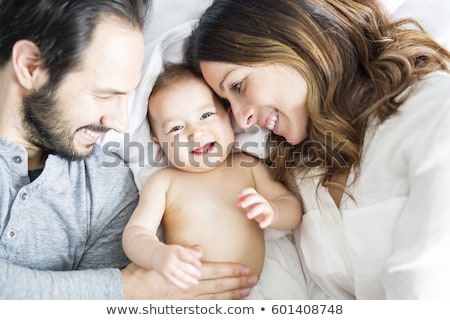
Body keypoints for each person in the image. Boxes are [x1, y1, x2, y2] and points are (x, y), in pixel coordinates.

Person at [186, 0, 450, 299]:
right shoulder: (305, 175)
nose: (239, 118)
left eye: (238, 85)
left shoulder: (433, 112)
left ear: (294, 39)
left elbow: (425, 289)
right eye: (226, 103)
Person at [0, 0, 257, 300]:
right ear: (30, 66)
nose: (120, 123)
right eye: (105, 95)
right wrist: (126, 288)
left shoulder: (107, 187)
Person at [122, 63, 303, 299]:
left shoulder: (247, 167)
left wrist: (273, 211)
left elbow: (292, 208)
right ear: (158, 141)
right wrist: (157, 255)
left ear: (228, 117)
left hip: (254, 293)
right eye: (176, 128)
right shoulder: (164, 182)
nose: (195, 133)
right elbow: (135, 234)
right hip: (194, 298)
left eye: (206, 115)